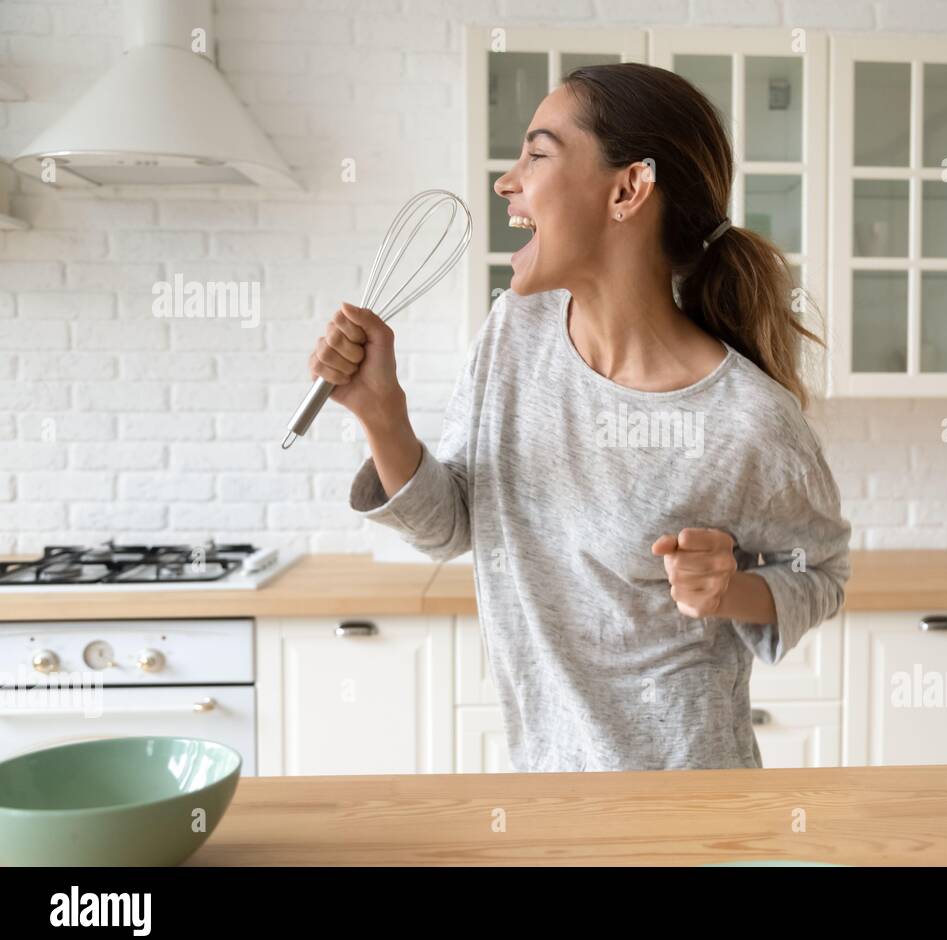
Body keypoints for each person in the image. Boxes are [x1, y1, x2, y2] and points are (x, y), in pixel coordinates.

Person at [309, 62, 851, 772]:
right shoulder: (513, 334)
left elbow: (824, 573)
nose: (508, 182)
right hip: (545, 784)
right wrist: (383, 413)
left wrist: (730, 590)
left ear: (627, 189)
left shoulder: (747, 420)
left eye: (537, 154)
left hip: (686, 804)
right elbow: (452, 527)